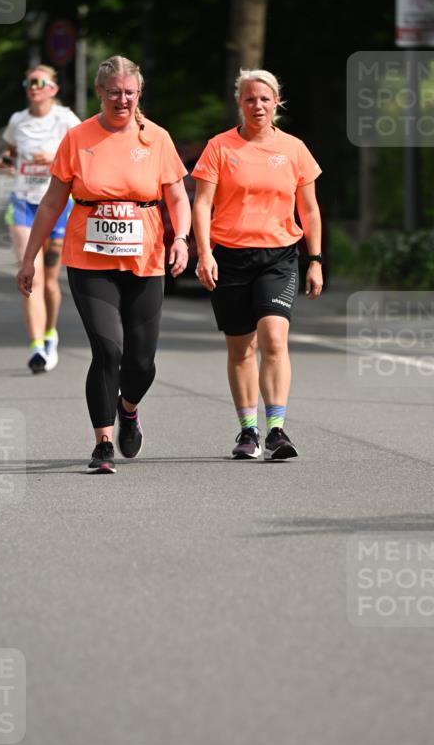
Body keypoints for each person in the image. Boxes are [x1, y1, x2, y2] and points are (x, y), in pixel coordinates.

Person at [16, 55, 191, 474]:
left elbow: (179, 197)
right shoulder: (78, 138)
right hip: (89, 259)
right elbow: (54, 201)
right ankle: (103, 443)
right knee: (108, 349)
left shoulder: (157, 139)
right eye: (114, 92)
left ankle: (128, 409)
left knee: (142, 363)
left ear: (139, 94)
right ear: (100, 93)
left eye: (130, 92)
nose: (122, 99)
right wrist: (30, 258)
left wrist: (181, 238)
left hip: (145, 259)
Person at [192, 69, 323, 461]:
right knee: (240, 348)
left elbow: (310, 209)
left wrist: (314, 260)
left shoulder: (295, 149)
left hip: (280, 256)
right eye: (250, 99)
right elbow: (201, 204)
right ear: (240, 103)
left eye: (265, 99)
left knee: (273, 339)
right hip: (231, 256)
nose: (258, 106)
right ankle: (248, 432)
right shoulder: (219, 147)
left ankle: (277, 430)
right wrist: (204, 253)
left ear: (277, 102)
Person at [0, 65, 81, 374]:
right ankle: (35, 347)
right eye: (28, 81)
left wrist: (55, 157)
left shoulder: (66, 119)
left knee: (50, 281)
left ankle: (49, 335)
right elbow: (10, 152)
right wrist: (4, 162)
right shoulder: (18, 120)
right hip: (22, 203)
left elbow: (85, 151)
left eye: (39, 82)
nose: (33, 87)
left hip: (56, 204)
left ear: (52, 89)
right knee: (29, 274)